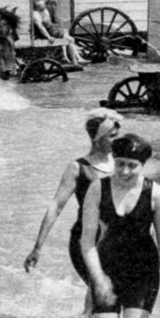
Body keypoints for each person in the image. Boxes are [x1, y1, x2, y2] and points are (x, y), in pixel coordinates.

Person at [80, 133, 160, 318]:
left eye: (132, 166)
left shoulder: (156, 193)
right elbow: (87, 243)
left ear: (143, 166)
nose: (124, 171)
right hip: (108, 270)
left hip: (144, 273)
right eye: (120, 163)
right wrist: (99, 278)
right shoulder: (97, 189)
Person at [24, 108, 121, 298]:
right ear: (97, 137)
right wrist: (37, 247)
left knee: (109, 293)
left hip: (115, 239)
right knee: (100, 291)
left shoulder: (122, 165)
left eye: (117, 136)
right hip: (85, 240)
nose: (116, 141)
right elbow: (56, 207)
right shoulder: (78, 167)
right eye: (111, 136)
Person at [30, 0, 85, 67]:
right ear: (38, 6)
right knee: (70, 39)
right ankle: (74, 61)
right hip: (49, 33)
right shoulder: (35, 15)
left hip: (51, 30)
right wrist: (48, 37)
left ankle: (74, 57)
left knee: (66, 33)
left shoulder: (42, 12)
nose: (45, 5)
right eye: (43, 4)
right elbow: (41, 28)